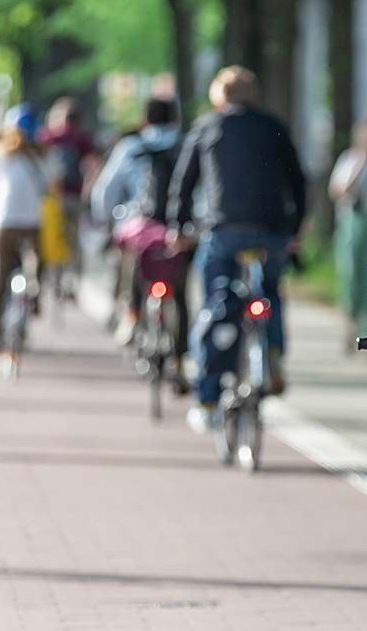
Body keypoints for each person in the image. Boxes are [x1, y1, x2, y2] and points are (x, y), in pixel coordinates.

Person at [168, 66, 308, 434]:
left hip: (223, 230)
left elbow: (184, 182)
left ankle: (208, 396)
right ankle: (273, 353)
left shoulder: (207, 126)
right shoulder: (273, 126)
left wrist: (177, 226)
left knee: (216, 302)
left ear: (219, 96)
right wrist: (294, 229)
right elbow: (297, 178)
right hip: (272, 232)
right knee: (270, 291)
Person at [91, 98, 185, 356]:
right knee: (180, 289)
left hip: (138, 223)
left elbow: (106, 190)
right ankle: (179, 355)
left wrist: (108, 221)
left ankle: (131, 314)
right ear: (174, 119)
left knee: (131, 268)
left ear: (145, 119)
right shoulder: (185, 144)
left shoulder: (131, 146)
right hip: (175, 228)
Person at [0, 106, 48, 368]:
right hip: (29, 223)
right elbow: (49, 188)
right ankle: (33, 300)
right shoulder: (39, 158)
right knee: (34, 270)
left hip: (2, 223)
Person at [328, 119, 367, 349]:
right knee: (351, 274)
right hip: (352, 220)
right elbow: (338, 190)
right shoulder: (350, 159)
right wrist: (362, 163)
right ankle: (349, 324)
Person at [37, 97, 97, 296]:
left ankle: (51, 278)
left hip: (50, 199)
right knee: (73, 239)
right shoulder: (82, 139)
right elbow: (93, 165)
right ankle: (72, 280)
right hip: (75, 196)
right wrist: (88, 191)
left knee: (50, 238)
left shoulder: (47, 137)